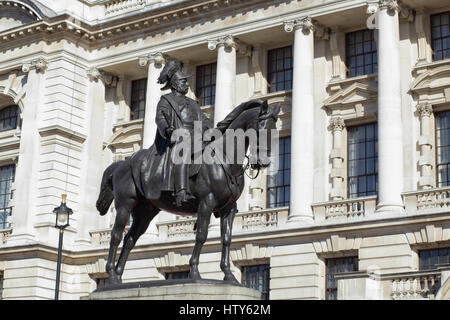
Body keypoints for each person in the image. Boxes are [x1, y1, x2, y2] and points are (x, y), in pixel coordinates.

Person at [155, 60, 210, 207]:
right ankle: (181, 192)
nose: (186, 84)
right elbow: (160, 117)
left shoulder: (193, 103)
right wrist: (166, 129)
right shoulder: (166, 100)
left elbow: (204, 120)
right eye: (183, 81)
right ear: (174, 84)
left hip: (196, 135)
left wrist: (205, 128)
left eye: (186, 81)